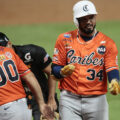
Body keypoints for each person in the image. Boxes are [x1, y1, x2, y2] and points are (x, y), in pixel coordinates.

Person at [51, 0, 120, 120]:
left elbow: (112, 67)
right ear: (76, 21)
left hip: (97, 100)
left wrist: (114, 81)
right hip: (69, 99)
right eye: (84, 19)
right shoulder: (64, 39)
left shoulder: (108, 43)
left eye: (91, 17)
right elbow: (54, 68)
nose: (89, 22)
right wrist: (62, 72)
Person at [0, 32, 59, 120]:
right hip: (21, 98)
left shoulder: (31, 52)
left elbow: (51, 72)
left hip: (40, 94)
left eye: (3, 47)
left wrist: (51, 98)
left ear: (9, 43)